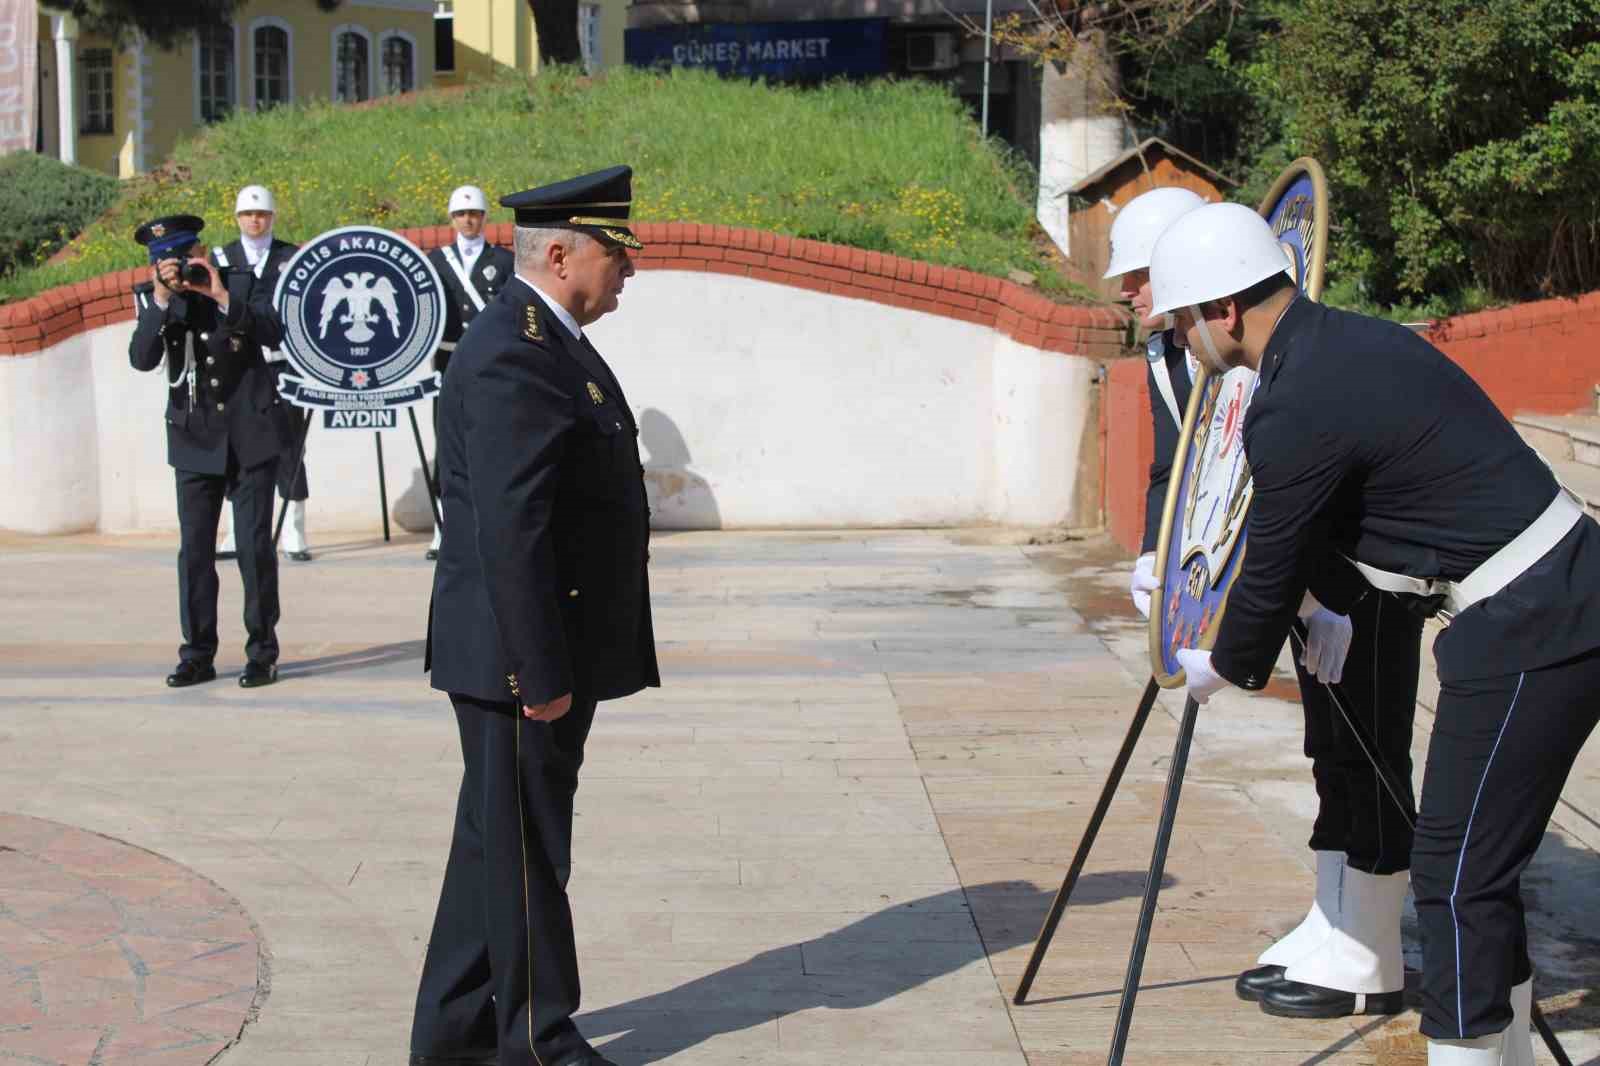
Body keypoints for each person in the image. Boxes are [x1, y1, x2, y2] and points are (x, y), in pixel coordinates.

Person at [1154, 201, 1600, 1064]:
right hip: (1543, 601)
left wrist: (1224, 661)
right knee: (1472, 867)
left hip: (1538, 617)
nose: (1182, 342)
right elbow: (1348, 515)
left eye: (1181, 321)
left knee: (1456, 872)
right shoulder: (1341, 344)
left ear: (1223, 311)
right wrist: (1325, 607)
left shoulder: (1295, 399)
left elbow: (1276, 549)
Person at [1111, 186, 1424, 1021]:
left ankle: (1374, 952)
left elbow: (1303, 485)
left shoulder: (1294, 347)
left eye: (1142, 277)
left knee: (1372, 753)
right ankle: (1334, 926)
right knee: (1330, 750)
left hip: (1361, 581)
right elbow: (1178, 471)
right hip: (1304, 581)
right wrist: (1159, 555)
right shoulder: (1167, 353)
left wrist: (1327, 596)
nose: (1133, 296)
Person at [411, 166, 657, 1066]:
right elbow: (513, 527)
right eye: (616, 254)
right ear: (560, 253)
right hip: (521, 658)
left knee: (492, 848)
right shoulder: (515, 348)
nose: (628, 272)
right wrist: (540, 673)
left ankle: (452, 1036)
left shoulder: (544, 338)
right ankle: (536, 1042)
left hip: (537, 647)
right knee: (525, 855)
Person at [129, 213, 292, 689]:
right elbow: (142, 359)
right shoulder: (154, 298)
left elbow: (272, 331)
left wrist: (220, 295)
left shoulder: (238, 281)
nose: (174, 268)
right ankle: (197, 653)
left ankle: (262, 652)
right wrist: (161, 299)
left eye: (181, 257)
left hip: (249, 435)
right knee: (195, 553)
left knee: (253, 549)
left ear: (199, 250)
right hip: (194, 438)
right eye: (163, 262)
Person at [215, 185, 311, 562]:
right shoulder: (221, 257)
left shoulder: (292, 256)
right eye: (248, 214)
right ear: (237, 218)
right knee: (236, 445)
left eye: (261, 214)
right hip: (238, 364)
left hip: (281, 362)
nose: (255, 220)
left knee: (289, 444)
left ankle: (294, 531)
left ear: (272, 217)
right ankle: (236, 531)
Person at [424, 184, 514, 561]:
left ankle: (489, 523)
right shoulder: (434, 261)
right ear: (451, 219)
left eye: (474, 214)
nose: (468, 220)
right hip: (448, 362)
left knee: (492, 442)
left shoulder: (504, 261)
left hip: (489, 364)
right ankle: (441, 529)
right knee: (446, 445)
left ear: (484, 218)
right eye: (461, 215)